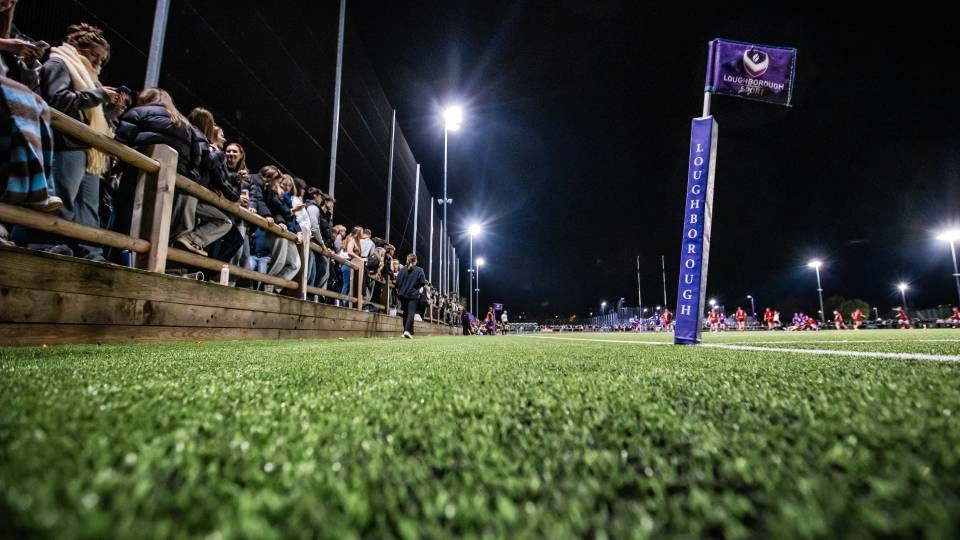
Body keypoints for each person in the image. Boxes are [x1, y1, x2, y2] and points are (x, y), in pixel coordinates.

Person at [41, 23, 124, 260]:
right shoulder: (60, 63)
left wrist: (111, 112)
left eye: (101, 59)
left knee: (88, 206)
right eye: (94, 55)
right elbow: (58, 100)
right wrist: (98, 95)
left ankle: (90, 252)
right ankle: (50, 243)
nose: (97, 63)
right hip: (65, 142)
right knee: (62, 198)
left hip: (89, 150)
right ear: (77, 47)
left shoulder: (90, 79)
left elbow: (90, 114)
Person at [395, 253, 426, 339]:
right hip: (412, 294)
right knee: (411, 313)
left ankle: (408, 331)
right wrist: (419, 290)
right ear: (415, 260)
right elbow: (423, 282)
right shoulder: (419, 270)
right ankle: (407, 331)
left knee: (405, 313)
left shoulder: (402, 270)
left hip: (402, 294)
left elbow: (397, 283)